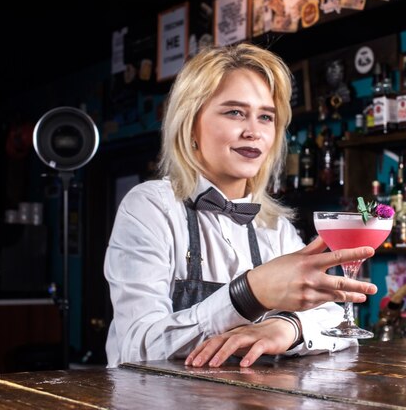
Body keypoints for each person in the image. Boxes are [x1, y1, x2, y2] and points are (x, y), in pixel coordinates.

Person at [104, 42, 377, 369]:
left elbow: (340, 325)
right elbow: (137, 346)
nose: (254, 132)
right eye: (235, 112)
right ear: (191, 123)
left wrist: (290, 327)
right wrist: (249, 294)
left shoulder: (275, 228)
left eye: (266, 117)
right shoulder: (151, 207)